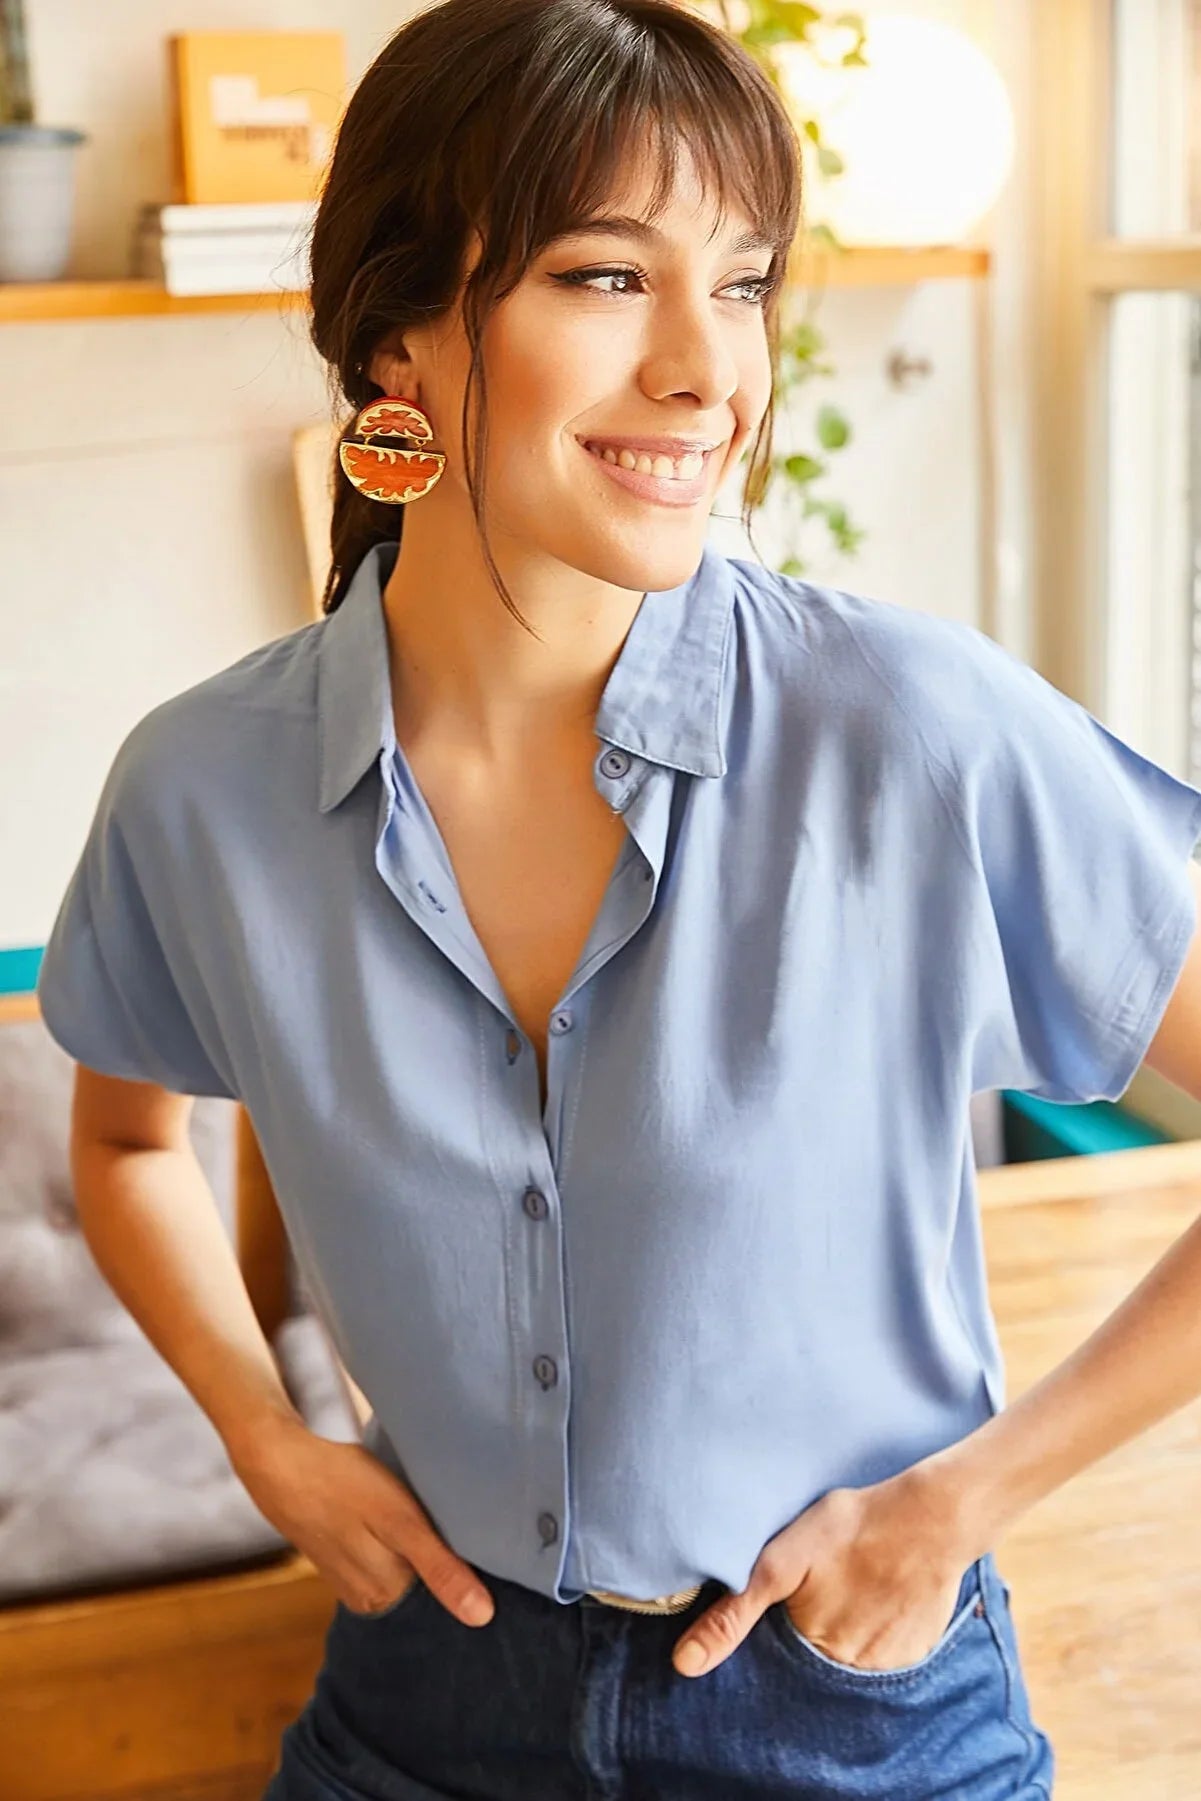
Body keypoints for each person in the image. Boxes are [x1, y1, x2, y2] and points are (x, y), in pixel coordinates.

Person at [34, 0, 1201, 1795]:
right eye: (604, 276)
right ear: (400, 333)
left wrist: (957, 1503)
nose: (706, 370)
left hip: (848, 1698)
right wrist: (264, 1438)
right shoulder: (203, 789)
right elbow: (122, 1147)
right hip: (421, 1691)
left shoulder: (911, 730)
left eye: (737, 285)